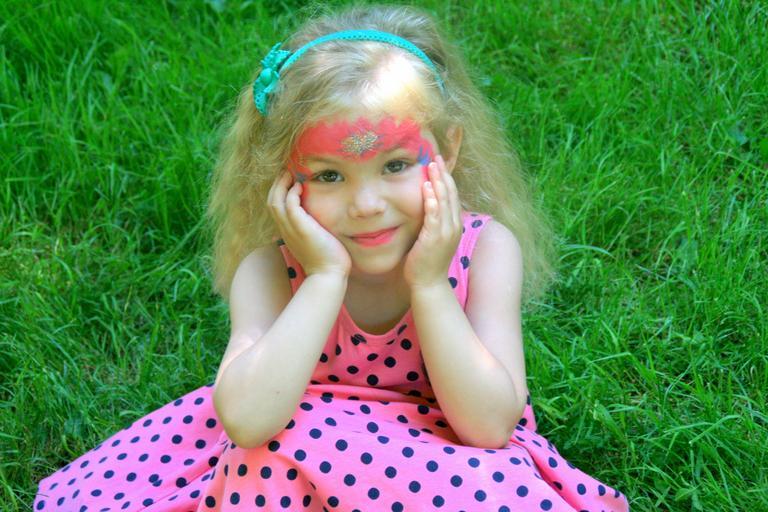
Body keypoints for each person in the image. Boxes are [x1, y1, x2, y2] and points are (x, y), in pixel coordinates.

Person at [34, 5, 629, 512]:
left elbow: (489, 427)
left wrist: (430, 284)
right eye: (328, 175)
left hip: (446, 460)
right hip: (291, 467)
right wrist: (323, 277)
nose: (366, 205)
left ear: (447, 151)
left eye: (396, 165)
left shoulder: (485, 251)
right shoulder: (271, 271)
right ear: (282, 177)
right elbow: (249, 421)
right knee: (258, 458)